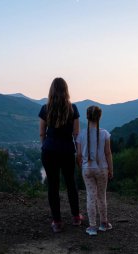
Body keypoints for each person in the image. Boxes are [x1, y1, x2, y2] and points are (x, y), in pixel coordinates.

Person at [39, 77, 83, 233]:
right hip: (67, 151)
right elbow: (76, 133)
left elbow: (42, 133)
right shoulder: (73, 109)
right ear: (66, 90)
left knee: (53, 185)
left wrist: (45, 145)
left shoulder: (45, 109)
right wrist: (78, 153)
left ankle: (57, 222)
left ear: (51, 90)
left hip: (49, 151)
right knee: (71, 183)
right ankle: (76, 217)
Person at [76, 105, 113, 236]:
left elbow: (79, 155)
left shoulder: (81, 135)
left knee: (90, 197)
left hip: (87, 169)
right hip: (102, 169)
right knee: (101, 196)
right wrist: (111, 169)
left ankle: (92, 227)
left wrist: (82, 166)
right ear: (100, 117)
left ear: (87, 117)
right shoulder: (105, 134)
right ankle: (104, 223)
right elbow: (108, 153)